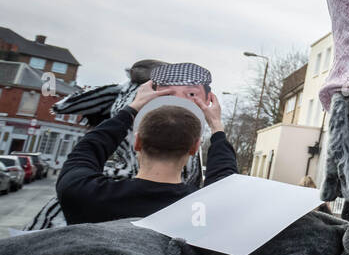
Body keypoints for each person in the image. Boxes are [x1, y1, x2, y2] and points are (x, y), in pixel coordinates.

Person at [57, 80, 238, 225]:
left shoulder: (83, 194)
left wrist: (132, 108)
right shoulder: (205, 210)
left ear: (137, 142)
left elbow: (87, 149)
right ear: (194, 147)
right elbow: (224, 177)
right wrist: (216, 126)